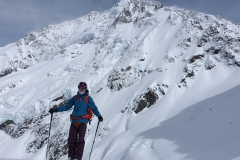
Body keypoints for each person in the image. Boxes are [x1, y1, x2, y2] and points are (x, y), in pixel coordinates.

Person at [49, 82, 103, 160]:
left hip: (83, 121)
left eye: (83, 88)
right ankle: (71, 157)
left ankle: (78, 158)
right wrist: (56, 109)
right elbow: (66, 107)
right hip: (74, 121)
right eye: (80, 88)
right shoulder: (75, 98)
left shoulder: (88, 98)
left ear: (85, 89)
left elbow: (94, 108)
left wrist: (99, 116)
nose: (81, 90)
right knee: (71, 139)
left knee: (81, 140)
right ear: (78, 88)